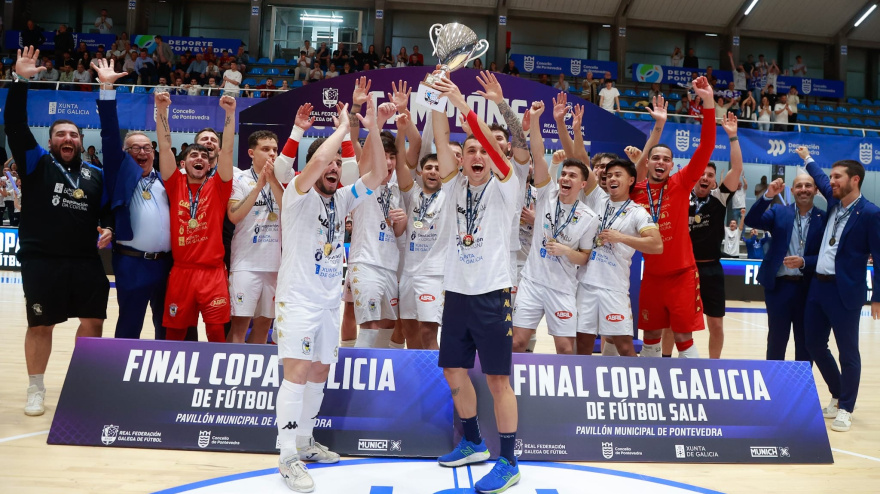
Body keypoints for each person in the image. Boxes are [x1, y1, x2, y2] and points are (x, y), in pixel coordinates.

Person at [272, 98, 390, 492]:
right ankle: (286, 454)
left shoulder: (341, 198)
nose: (334, 169)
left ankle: (304, 442)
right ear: (314, 169)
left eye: (339, 166)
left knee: (320, 371)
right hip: (298, 300)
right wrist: (342, 128)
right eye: (329, 165)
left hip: (327, 302)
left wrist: (371, 126)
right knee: (298, 372)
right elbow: (319, 160)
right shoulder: (296, 193)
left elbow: (377, 175)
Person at [7, 47, 112, 416]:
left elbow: (106, 212)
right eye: (60, 134)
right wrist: (20, 81)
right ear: (50, 140)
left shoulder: (95, 175)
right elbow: (15, 127)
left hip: (84, 259)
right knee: (41, 324)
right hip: (42, 259)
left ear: (81, 141)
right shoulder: (36, 163)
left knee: (94, 321)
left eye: (73, 135)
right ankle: (36, 388)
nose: (67, 139)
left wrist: (108, 227)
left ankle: (80, 384)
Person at [431, 73, 521, 494]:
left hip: (492, 293)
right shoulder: (453, 186)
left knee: (498, 379)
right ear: (461, 159)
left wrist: (464, 105)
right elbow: (439, 131)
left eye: (482, 149)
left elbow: (489, 143)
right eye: (468, 151)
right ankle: (471, 442)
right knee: (453, 370)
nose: (476, 155)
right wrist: (435, 97)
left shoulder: (507, 185)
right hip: (457, 294)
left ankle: (508, 460)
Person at [631, 76, 716, 358]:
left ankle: (691, 393)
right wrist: (657, 126)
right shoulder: (637, 191)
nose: (661, 162)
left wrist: (708, 103)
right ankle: (650, 393)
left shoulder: (681, 182)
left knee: (683, 336)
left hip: (682, 275)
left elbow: (705, 148)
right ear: (648, 162)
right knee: (651, 336)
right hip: (652, 276)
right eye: (655, 158)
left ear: (672, 165)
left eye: (666, 159)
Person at [799, 146, 880, 433]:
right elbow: (819, 178)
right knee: (813, 345)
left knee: (848, 352)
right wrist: (807, 158)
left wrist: (877, 297)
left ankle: (846, 407)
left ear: (854, 180)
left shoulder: (870, 213)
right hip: (818, 289)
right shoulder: (834, 203)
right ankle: (837, 393)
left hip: (845, 292)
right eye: (831, 177)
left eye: (837, 177)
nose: (830, 182)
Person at [92, 59, 173, 340]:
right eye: (135, 148)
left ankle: (165, 379)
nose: (142, 151)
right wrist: (107, 88)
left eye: (147, 147)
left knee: (167, 326)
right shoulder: (120, 172)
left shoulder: (168, 178)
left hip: (167, 264)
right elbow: (110, 133)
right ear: (125, 153)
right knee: (129, 326)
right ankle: (122, 379)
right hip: (132, 262)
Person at [512, 101, 599, 355]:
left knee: (564, 348)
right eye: (564, 174)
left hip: (562, 287)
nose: (565, 178)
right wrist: (537, 119)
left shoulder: (588, 216)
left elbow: (584, 258)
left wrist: (565, 251)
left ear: (583, 184)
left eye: (572, 176)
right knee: (517, 343)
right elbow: (537, 154)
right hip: (531, 282)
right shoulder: (546, 194)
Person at [154, 90, 236, 342]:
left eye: (204, 156)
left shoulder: (219, 186)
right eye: (193, 155)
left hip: (213, 273)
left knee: (216, 333)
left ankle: (218, 380)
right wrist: (162, 111)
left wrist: (230, 114)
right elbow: (165, 146)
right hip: (182, 272)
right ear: (183, 163)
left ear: (210, 164)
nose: (199, 158)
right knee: (175, 333)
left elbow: (228, 151)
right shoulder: (174, 182)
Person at [745, 173, 825, 362]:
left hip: (808, 288)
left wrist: (805, 262)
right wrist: (768, 195)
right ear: (792, 190)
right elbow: (751, 221)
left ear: (815, 190)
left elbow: (826, 256)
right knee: (776, 339)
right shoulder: (779, 212)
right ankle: (774, 386)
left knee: (805, 340)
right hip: (779, 287)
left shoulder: (824, 217)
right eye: (799, 186)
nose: (803, 189)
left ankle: (801, 387)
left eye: (808, 185)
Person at [346, 79, 402, 348]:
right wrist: (376, 123)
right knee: (368, 324)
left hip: (390, 265)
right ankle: (358, 375)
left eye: (392, 156)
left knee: (390, 325)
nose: (388, 162)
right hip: (365, 262)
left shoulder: (396, 187)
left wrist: (400, 223)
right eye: (385, 156)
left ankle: (381, 378)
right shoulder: (365, 180)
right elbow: (367, 157)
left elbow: (398, 231)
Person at [687, 116, 743, 360]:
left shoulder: (719, 197)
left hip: (711, 270)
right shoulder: (680, 196)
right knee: (677, 324)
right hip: (685, 269)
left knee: (716, 325)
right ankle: (668, 361)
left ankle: (714, 366)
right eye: (701, 173)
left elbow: (737, 169)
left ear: (714, 180)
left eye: (710, 175)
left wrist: (733, 137)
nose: (705, 178)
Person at [226, 131, 284, 344]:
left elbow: (289, 212)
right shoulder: (239, 179)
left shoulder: (283, 180)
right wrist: (259, 186)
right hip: (245, 264)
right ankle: (234, 374)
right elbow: (234, 215)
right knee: (239, 326)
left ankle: (253, 376)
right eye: (265, 149)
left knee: (264, 325)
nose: (272, 154)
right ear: (251, 152)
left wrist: (273, 181)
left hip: (274, 266)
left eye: (275, 150)